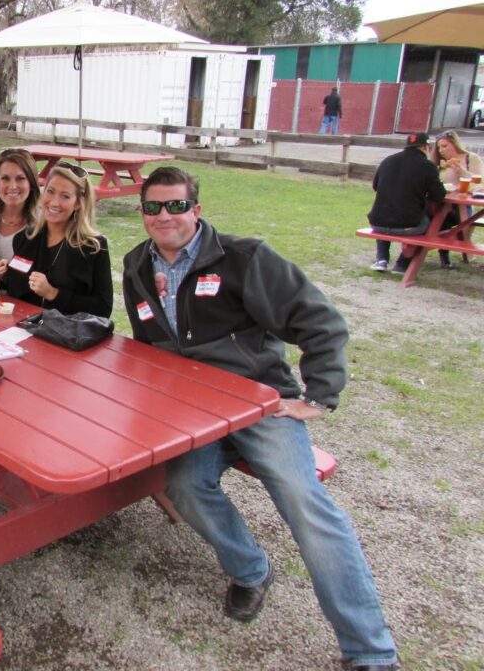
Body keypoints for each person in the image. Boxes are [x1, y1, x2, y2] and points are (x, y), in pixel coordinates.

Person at [123, 166, 398, 671]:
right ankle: (251, 570)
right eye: (154, 207)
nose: (165, 216)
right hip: (193, 411)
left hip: (259, 404)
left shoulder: (245, 258)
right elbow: (150, 348)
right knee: (184, 484)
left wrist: (319, 398)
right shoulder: (136, 264)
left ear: (197, 210)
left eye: (177, 205)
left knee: (304, 503)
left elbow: (321, 321)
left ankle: (371, 652)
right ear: (142, 213)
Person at [0, 162, 113, 317]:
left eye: (65, 196)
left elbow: (103, 309)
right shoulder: (25, 238)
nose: (54, 202)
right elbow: (17, 291)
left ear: (77, 203)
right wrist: (5, 274)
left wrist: (54, 293)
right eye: (50, 191)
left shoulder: (93, 247)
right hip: (20, 329)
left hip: (65, 335)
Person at [367, 132, 446, 273]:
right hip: (408, 227)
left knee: (389, 210)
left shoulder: (388, 160)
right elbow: (439, 196)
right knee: (433, 223)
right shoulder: (428, 166)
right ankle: (402, 264)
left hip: (377, 223)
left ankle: (382, 259)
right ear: (425, 147)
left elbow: (375, 186)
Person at [429, 130, 483, 268]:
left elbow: (480, 184)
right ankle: (442, 252)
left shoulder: (471, 158)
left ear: (454, 144)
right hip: (442, 202)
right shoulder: (439, 163)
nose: (441, 150)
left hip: (463, 203)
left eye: (445, 146)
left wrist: (462, 171)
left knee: (460, 220)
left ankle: (448, 251)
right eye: (439, 147)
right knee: (439, 217)